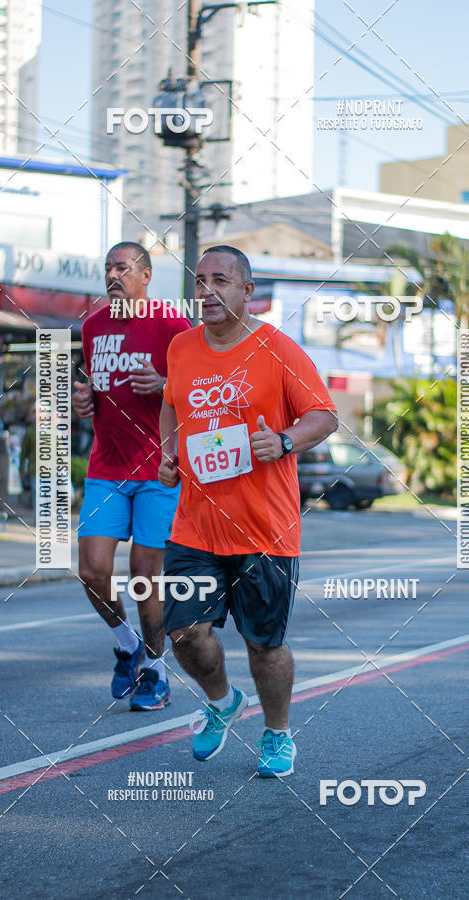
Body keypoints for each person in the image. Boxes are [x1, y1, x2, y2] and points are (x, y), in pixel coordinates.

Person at [158, 245, 337, 777]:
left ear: (246, 290)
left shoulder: (279, 349)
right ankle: (221, 701)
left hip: (265, 529)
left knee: (263, 644)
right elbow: (171, 405)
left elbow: (323, 416)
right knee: (185, 632)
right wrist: (168, 454)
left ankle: (277, 733)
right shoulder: (181, 348)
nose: (207, 292)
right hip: (195, 523)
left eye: (220, 281)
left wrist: (283, 441)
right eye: (200, 281)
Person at [73, 242, 191, 710]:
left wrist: (166, 385)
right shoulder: (92, 325)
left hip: (158, 468)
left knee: (145, 576)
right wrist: (85, 403)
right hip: (107, 466)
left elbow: (197, 389)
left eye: (122, 268)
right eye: (108, 268)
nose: (113, 276)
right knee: (92, 570)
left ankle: (156, 673)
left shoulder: (171, 326)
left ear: (145, 275)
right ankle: (127, 645)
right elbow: (95, 393)